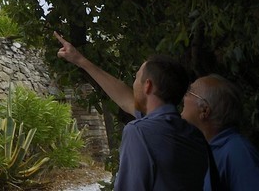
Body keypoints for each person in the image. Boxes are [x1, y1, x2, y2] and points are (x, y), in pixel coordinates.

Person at [55, 33, 217, 191]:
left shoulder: (139, 132)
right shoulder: (193, 134)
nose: (133, 85)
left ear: (148, 85)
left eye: (136, 77)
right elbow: (125, 99)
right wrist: (80, 60)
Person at [183, 74, 259, 191]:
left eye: (189, 92)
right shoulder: (212, 151)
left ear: (204, 110)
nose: (184, 96)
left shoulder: (238, 153)